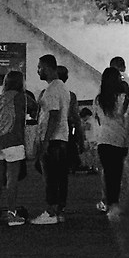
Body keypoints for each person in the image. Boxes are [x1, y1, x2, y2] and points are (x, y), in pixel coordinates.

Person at [31, 61, 78, 224]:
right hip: (62, 138)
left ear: (48, 68)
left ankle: (50, 211)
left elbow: (53, 115)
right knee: (60, 177)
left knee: (50, 177)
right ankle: (59, 210)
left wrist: (45, 141)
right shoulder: (64, 89)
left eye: (40, 68)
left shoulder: (51, 90)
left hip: (53, 139)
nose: (38, 71)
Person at [0, 67, 31, 227]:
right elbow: (33, 111)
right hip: (13, 139)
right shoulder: (21, 97)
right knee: (11, 177)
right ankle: (11, 213)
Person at [92, 63, 129, 217]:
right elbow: (127, 120)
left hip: (104, 140)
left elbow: (98, 119)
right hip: (119, 139)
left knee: (109, 175)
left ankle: (110, 204)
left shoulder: (99, 99)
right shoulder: (123, 98)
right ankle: (115, 204)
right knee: (118, 174)